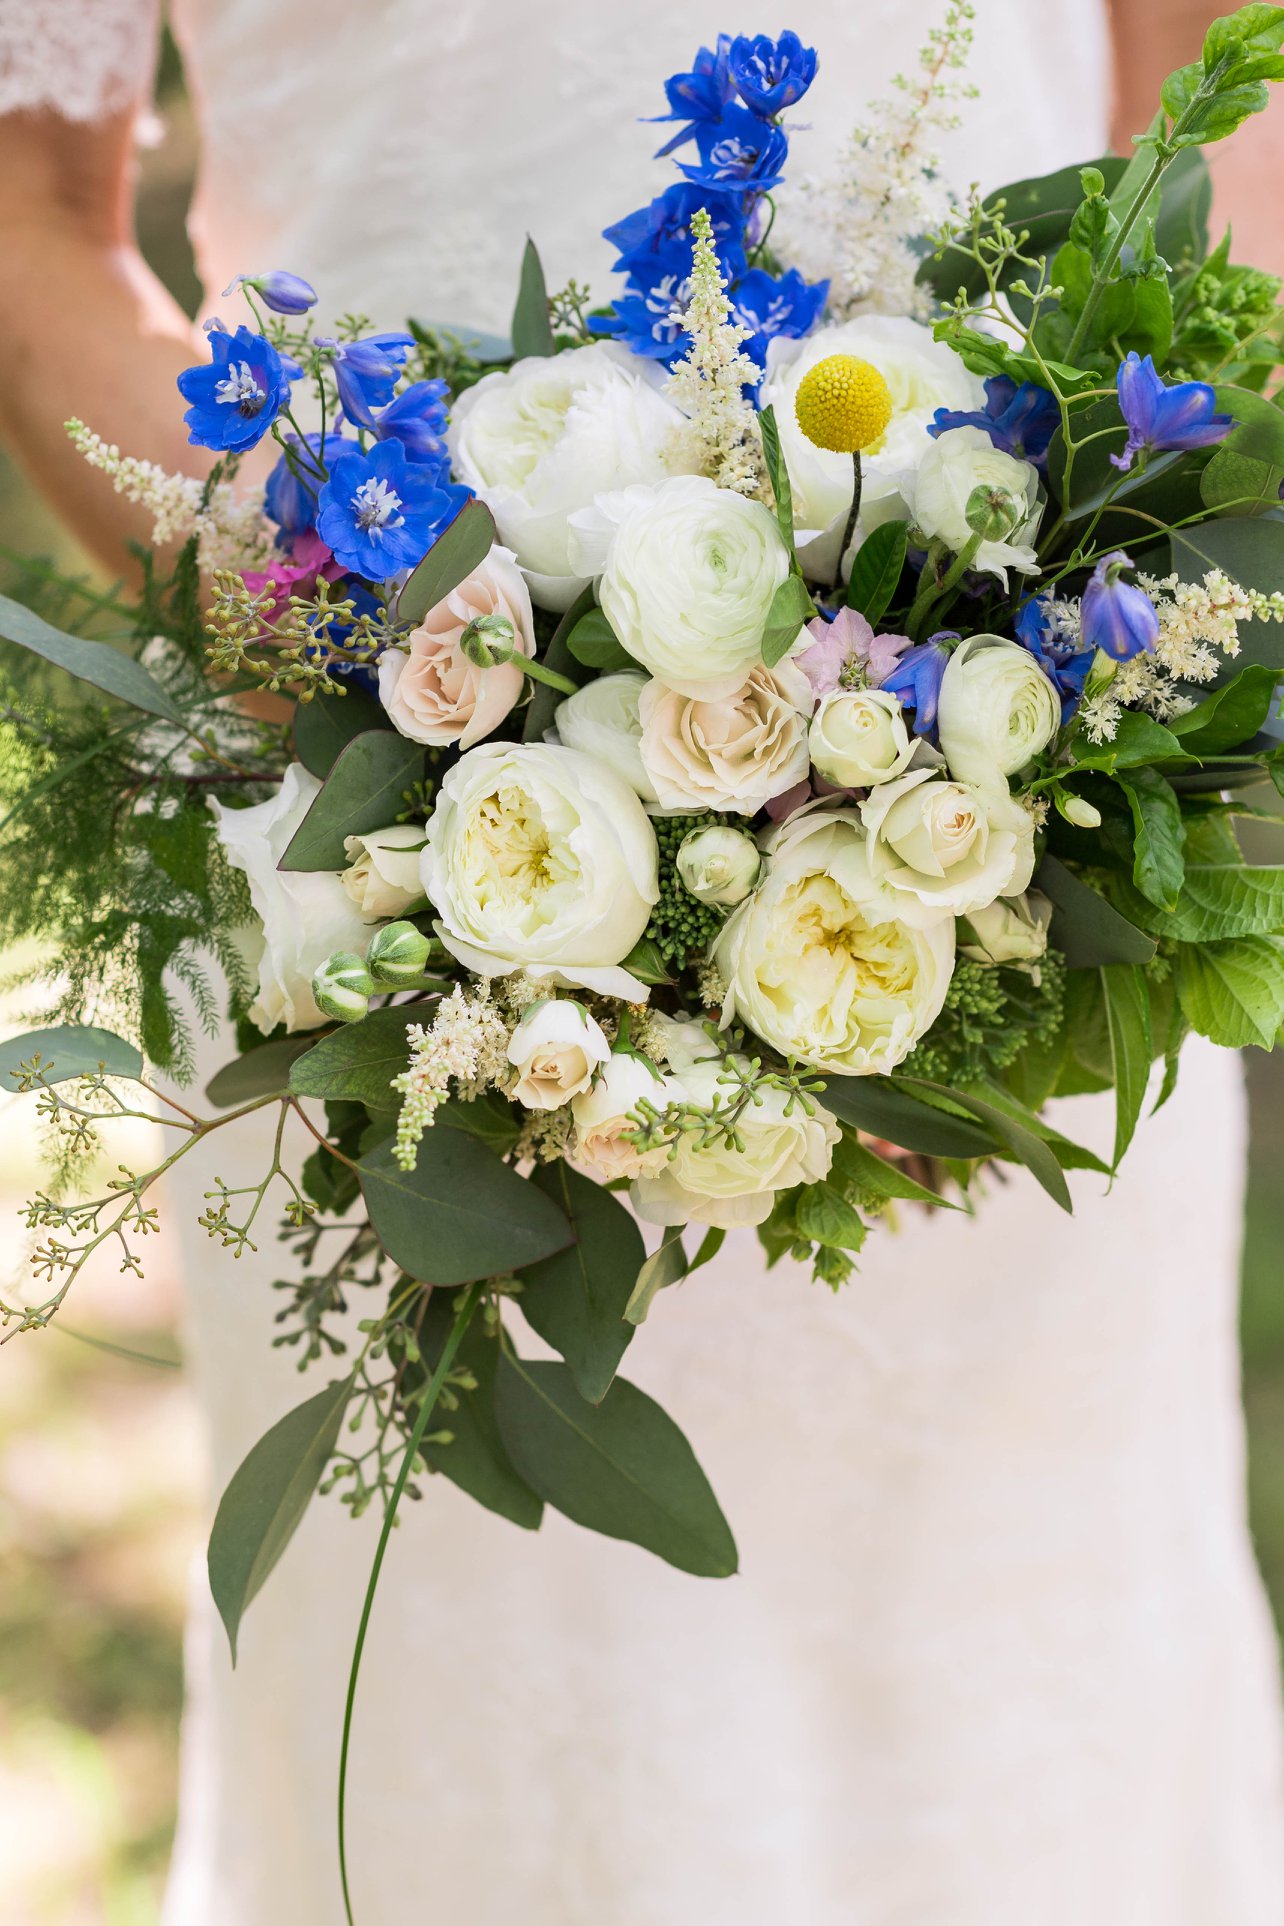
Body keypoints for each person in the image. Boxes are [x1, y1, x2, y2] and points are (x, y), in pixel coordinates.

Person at [2, 4, 1283, 1922]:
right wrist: (392, 694)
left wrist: (1117, 606)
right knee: (488, 1761)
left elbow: (1222, 80)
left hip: (992, 817)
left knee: (1028, 1730)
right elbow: (27, 208)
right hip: (375, 913)